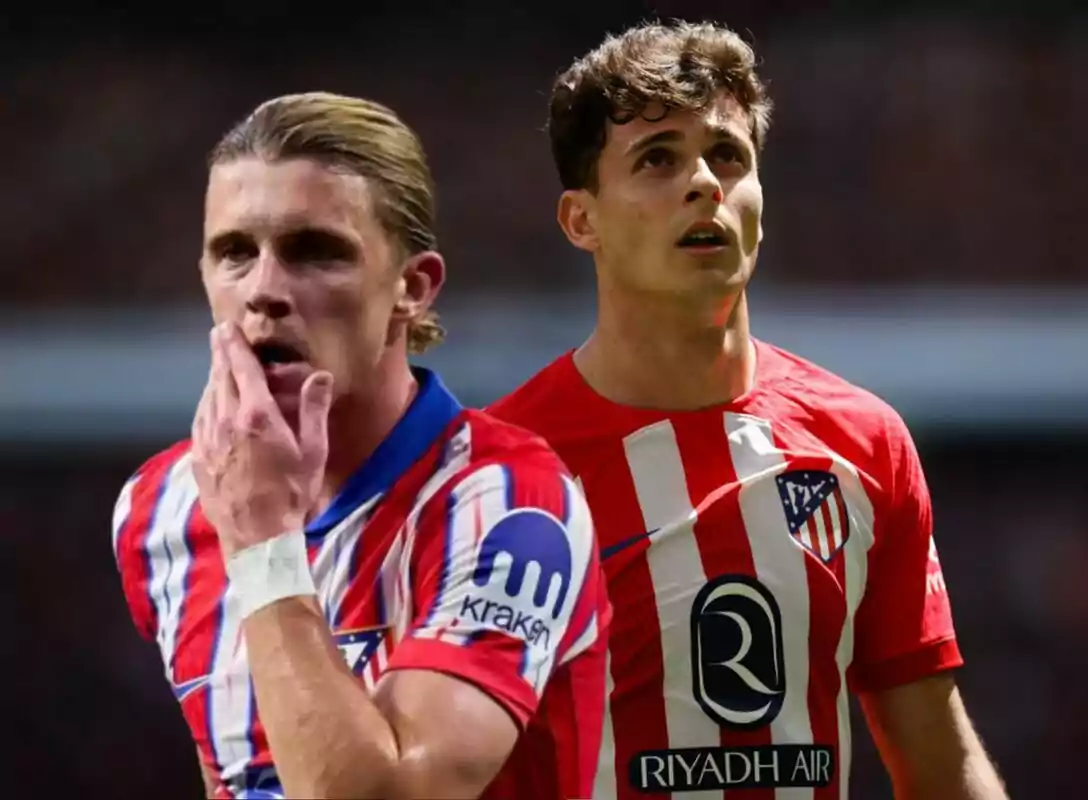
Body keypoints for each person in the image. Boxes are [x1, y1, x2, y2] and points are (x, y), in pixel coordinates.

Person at [488, 21, 1008, 800]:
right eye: (657, 158)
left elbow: (938, 760)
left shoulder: (863, 443)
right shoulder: (495, 475)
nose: (703, 182)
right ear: (581, 220)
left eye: (727, 155)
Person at [111, 92, 609, 800]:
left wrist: (262, 546)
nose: (265, 290)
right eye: (234, 253)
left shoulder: (512, 506)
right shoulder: (157, 509)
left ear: (412, 287)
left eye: (315, 252)